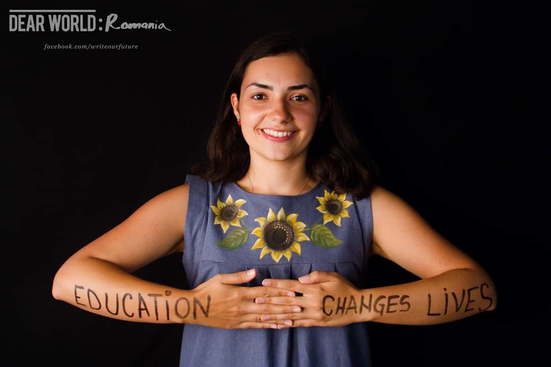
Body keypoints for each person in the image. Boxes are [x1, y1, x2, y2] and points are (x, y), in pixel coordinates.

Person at [52, 32, 497, 367]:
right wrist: (192, 307)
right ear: (237, 108)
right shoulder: (191, 206)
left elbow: (477, 290)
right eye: (260, 95)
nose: (279, 113)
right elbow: (70, 280)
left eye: (298, 97)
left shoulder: (366, 206)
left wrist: (357, 305)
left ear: (322, 111)